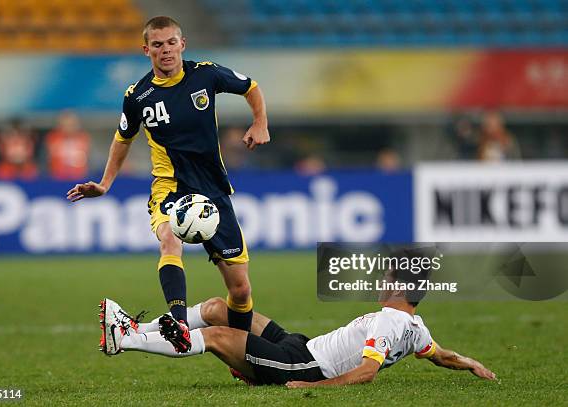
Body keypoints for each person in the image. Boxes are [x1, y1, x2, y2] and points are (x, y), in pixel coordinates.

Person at [68, 16, 270, 352]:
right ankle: (177, 321)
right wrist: (105, 184)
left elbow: (250, 86)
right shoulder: (138, 96)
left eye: (171, 42)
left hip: (214, 190)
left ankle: (244, 355)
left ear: (182, 44)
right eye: (157, 45)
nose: (166, 50)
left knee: (241, 290)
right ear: (146, 50)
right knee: (169, 240)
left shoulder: (206, 74)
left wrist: (260, 122)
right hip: (170, 187)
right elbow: (122, 139)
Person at [99, 266, 496, 387]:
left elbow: (366, 373)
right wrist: (473, 363)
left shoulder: (391, 322)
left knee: (219, 335)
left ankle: (126, 340)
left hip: (303, 366)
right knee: (222, 308)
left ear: (400, 290)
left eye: (387, 281)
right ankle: (136, 327)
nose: (380, 284)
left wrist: (312, 387)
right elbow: (441, 356)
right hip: (301, 345)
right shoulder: (415, 326)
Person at [45, 110, 91, 180]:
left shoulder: (83, 138)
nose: (68, 127)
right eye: (66, 124)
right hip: (58, 178)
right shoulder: (53, 138)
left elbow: (87, 159)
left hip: (79, 178)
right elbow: (49, 158)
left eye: (71, 124)